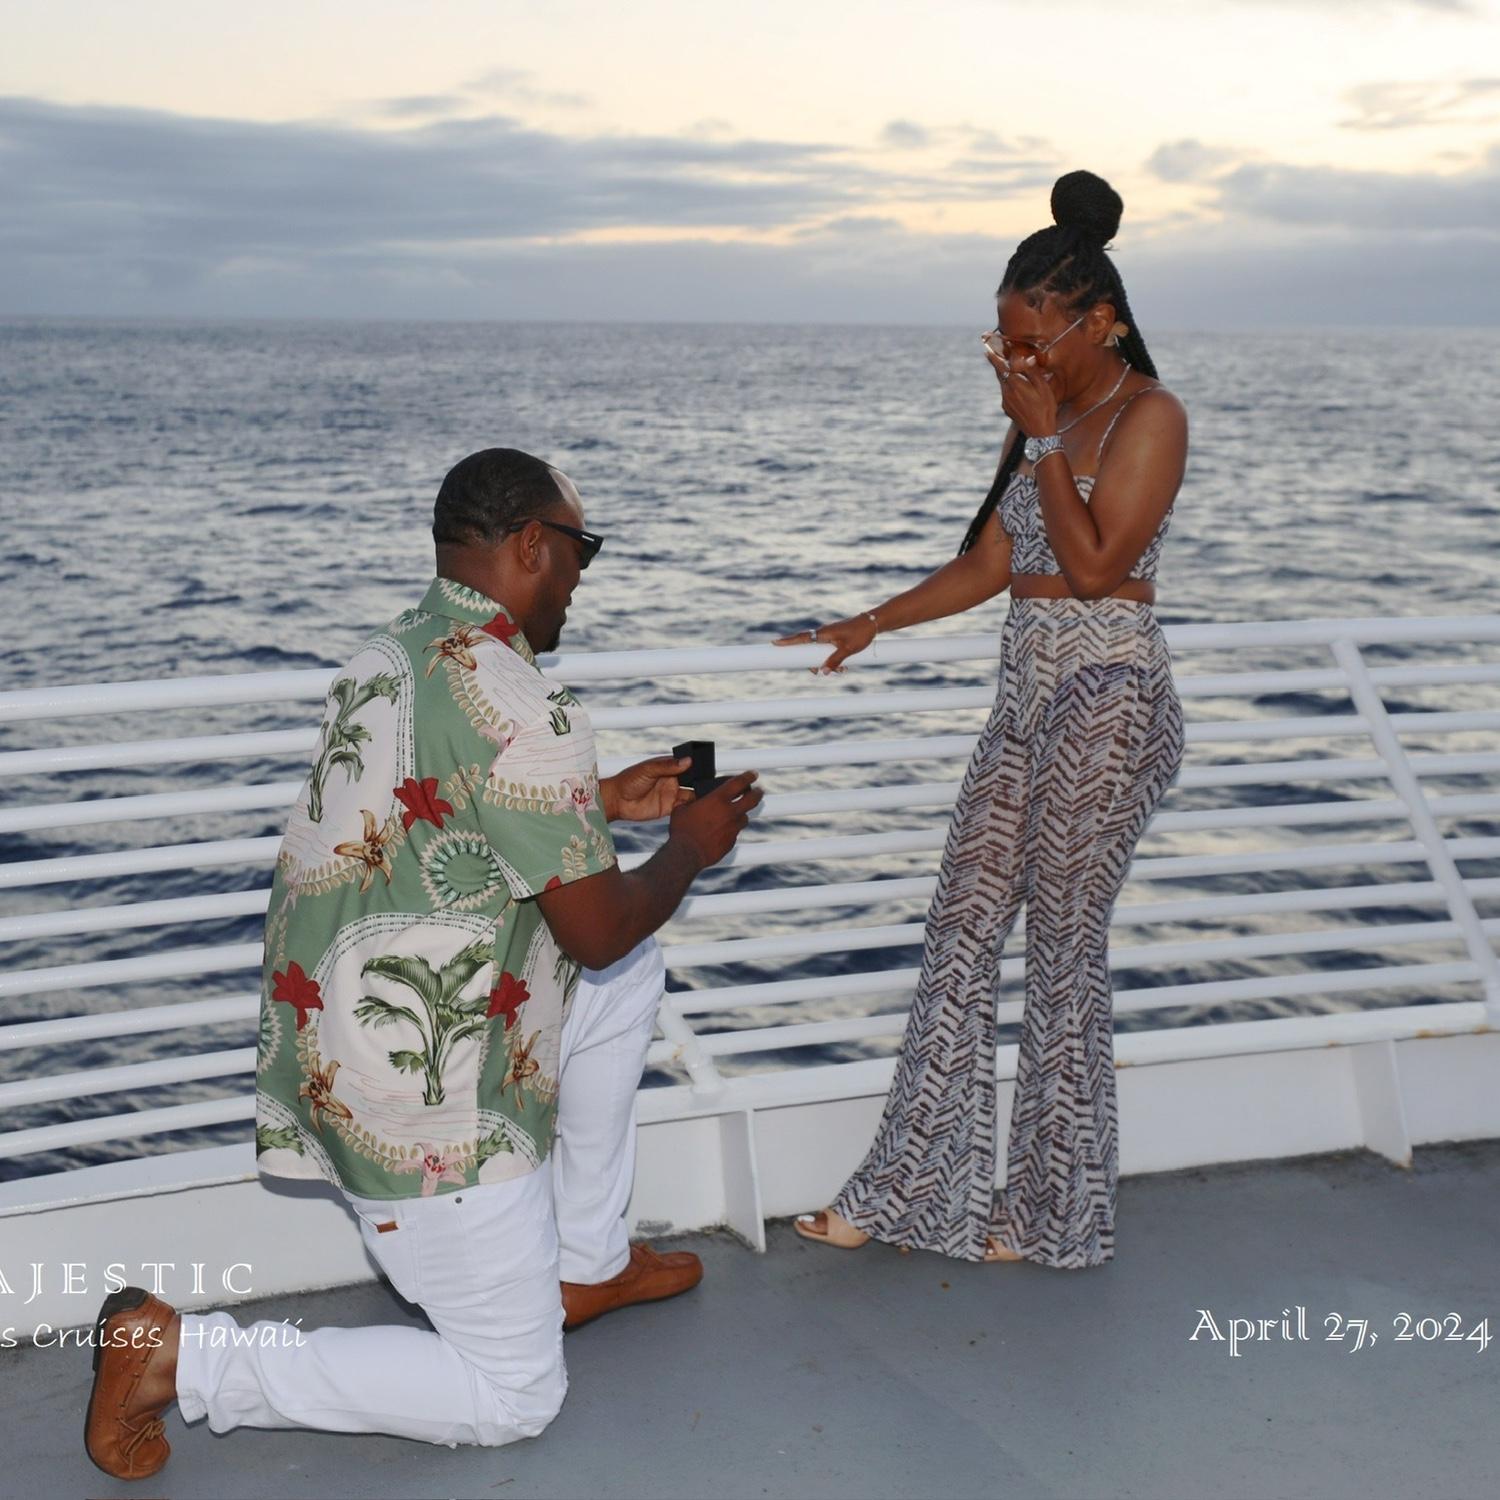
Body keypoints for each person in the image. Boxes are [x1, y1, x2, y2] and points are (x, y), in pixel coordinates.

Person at [84, 447, 763, 1480]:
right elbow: (598, 929)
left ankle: (587, 1262)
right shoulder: (525, 705)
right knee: (514, 1395)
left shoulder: (392, 655)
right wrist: (689, 850)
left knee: (628, 987)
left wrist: (599, 802)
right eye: (581, 550)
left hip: (333, 1045)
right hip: (425, 1101)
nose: (582, 577)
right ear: (532, 545)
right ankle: (183, 1359)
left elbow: (444, 813)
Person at [777, 170, 1188, 1268]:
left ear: (1102, 322)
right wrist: (872, 621)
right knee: (958, 931)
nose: (1016, 362)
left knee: (1061, 948)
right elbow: (993, 566)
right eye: (1004, 343)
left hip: (1109, 696)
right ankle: (907, 1191)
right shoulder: (1042, 421)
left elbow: (1094, 569)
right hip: (1027, 695)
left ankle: (1055, 1212)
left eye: (1033, 343)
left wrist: (1042, 438)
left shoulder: (1149, 417)